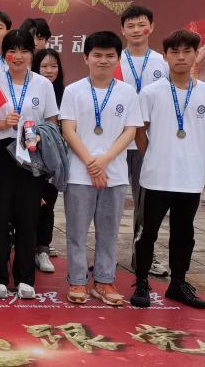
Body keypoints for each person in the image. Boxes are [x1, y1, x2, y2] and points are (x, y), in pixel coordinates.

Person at [131, 29, 205, 310]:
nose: (181, 57)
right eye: (175, 52)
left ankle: (178, 283)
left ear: (196, 55)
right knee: (148, 233)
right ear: (165, 56)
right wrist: (153, 155)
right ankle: (142, 282)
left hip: (191, 178)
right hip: (156, 177)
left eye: (187, 51)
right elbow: (140, 130)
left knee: (184, 234)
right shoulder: (151, 92)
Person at [59, 31, 142, 306]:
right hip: (79, 174)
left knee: (108, 232)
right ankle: (78, 281)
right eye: (97, 55)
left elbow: (130, 131)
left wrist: (104, 160)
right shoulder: (73, 91)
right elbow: (68, 129)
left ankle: (104, 281)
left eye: (109, 56)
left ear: (118, 59)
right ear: (86, 58)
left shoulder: (127, 92)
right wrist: (91, 163)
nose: (103, 61)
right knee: (77, 231)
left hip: (114, 174)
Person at [0, 29, 59, 300]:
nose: (18, 56)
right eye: (12, 51)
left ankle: (26, 277)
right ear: (4, 55)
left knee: (28, 216)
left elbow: (52, 121)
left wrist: (39, 133)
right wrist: (3, 123)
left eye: (24, 51)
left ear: (31, 54)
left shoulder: (43, 85)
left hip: (31, 154)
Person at [118, 5, 171, 279]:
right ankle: (104, 255)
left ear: (152, 27)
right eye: (131, 26)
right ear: (122, 30)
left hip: (146, 144)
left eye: (142, 25)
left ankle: (143, 256)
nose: (137, 30)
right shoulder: (115, 60)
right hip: (115, 143)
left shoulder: (162, 63)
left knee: (145, 204)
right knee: (108, 202)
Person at [31, 49, 65, 273]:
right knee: (28, 203)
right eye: (44, 66)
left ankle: (42, 248)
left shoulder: (66, 93)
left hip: (53, 158)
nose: (49, 71)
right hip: (31, 156)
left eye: (54, 66)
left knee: (47, 203)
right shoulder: (30, 89)